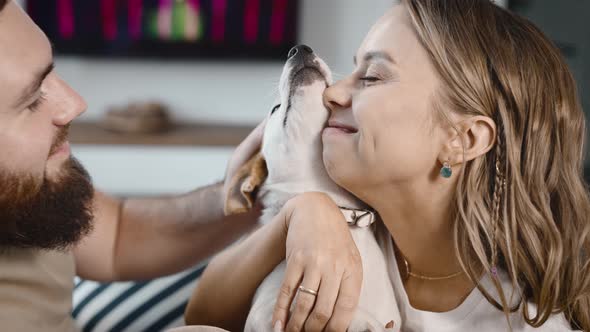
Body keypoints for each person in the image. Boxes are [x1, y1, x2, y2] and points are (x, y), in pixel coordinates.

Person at [185, 0, 590, 331]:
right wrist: (299, 213)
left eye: (373, 76)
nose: (333, 92)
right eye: (353, 67)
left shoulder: (523, 321)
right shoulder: (357, 223)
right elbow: (202, 315)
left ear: (462, 140)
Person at [0, 1, 275, 330]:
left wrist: (253, 189)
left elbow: (117, 235)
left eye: (52, 73)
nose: (75, 104)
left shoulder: (32, 187)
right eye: (32, 100)